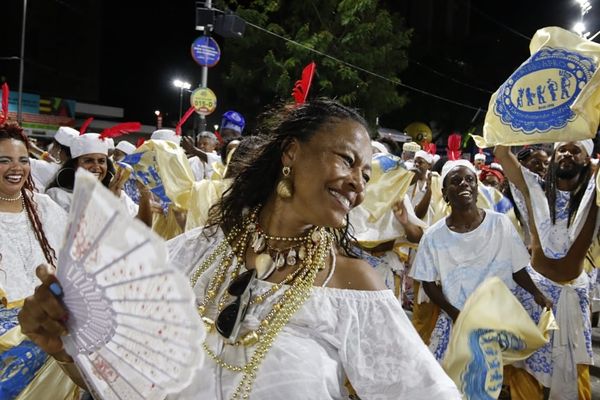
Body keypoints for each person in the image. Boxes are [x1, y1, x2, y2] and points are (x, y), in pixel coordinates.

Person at [18, 99, 461, 399]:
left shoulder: (350, 286)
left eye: (366, 174)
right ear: (291, 152)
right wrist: (61, 344)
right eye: (347, 160)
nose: (357, 185)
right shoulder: (189, 255)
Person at [409, 160, 551, 363]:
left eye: (469, 180)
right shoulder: (433, 236)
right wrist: (455, 314)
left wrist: (537, 293)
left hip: (496, 320)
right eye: (456, 181)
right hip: (457, 321)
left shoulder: (500, 224)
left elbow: (517, 269)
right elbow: (428, 283)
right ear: (445, 192)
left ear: (477, 188)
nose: (464, 184)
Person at [495, 140, 598, 399]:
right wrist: (515, 116)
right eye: (562, 149)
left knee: (574, 373)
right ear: (553, 158)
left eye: (576, 150)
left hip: (573, 296)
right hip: (534, 294)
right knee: (524, 371)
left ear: (587, 159)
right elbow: (502, 153)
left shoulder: (594, 194)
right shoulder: (534, 189)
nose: (567, 154)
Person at [0, 122, 82, 398]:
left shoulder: (44, 206)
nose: (16, 168)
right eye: (5, 160)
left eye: (23, 160)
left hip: (54, 325)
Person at [45, 133, 152, 225]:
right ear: (75, 165)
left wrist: (144, 194)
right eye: (88, 161)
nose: (96, 167)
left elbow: (142, 228)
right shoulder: (57, 196)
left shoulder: (118, 194)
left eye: (101, 161)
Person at [29, 126, 78, 192]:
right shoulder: (73, 170)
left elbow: (18, 160)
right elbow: (54, 162)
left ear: (59, 149)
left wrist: (32, 148)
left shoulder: (43, 167)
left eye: (53, 145)